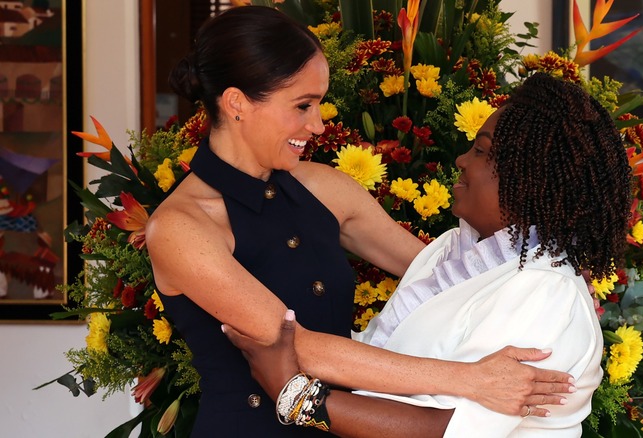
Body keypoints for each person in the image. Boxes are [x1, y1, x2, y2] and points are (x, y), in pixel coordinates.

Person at [145, 6, 575, 437]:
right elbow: (298, 347)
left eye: (320, 103)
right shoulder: (181, 228)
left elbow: (449, 279)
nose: (317, 125)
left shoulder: (323, 187)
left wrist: (554, 284)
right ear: (237, 103)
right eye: (302, 105)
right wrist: (473, 380)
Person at [224, 71, 633, 437]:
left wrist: (296, 396)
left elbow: (448, 431)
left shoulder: (545, 294)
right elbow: (384, 364)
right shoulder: (452, 250)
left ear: (531, 181)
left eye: (480, 151)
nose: (461, 160)